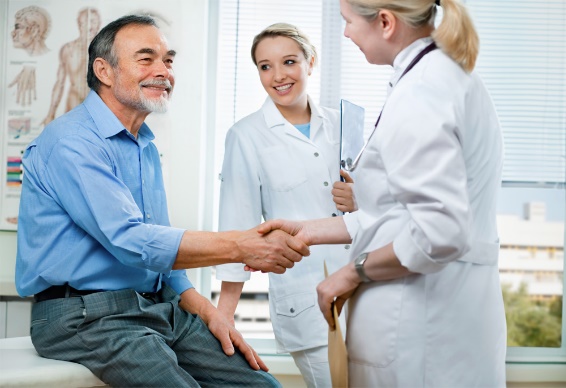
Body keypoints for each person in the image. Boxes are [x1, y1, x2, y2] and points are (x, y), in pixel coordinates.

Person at [16, 14, 310, 387]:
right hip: (82, 315)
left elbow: (160, 248)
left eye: (168, 60)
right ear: (104, 71)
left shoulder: (144, 144)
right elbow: (130, 240)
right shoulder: (71, 142)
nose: (164, 71)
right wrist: (239, 246)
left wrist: (208, 310)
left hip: (154, 306)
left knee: (261, 385)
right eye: (146, 58)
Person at [260, 0, 507, 386]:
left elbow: (438, 233)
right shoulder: (443, 78)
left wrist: (352, 272)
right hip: (445, 320)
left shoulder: (421, 93)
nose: (345, 33)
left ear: (386, 23)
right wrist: (310, 230)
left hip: (418, 328)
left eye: (348, 22)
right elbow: (398, 216)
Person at [215, 23, 356, 388]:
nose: (277, 76)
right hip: (306, 299)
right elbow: (237, 227)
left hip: (365, 287)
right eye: (265, 66)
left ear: (311, 62)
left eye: (289, 62)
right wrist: (224, 314)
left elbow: (381, 205)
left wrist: (359, 199)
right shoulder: (246, 136)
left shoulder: (343, 124)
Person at [42, 8, 102, 126]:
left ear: (99, 24)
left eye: (93, 22)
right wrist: (50, 114)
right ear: (79, 25)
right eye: (85, 22)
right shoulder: (68, 49)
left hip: (99, 103)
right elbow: (60, 83)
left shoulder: (107, 52)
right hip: (73, 101)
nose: (89, 27)